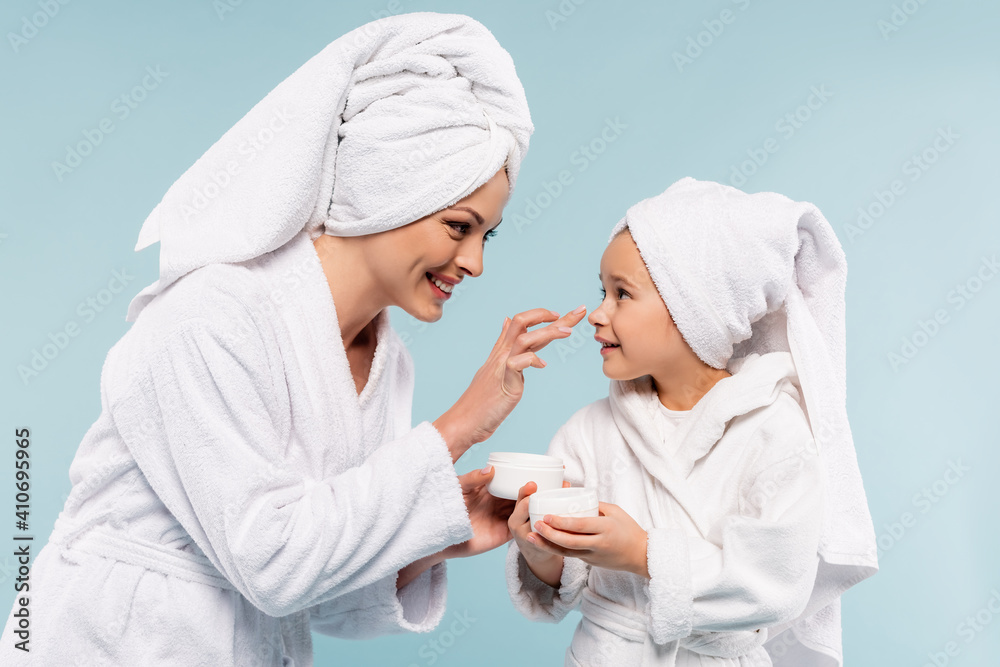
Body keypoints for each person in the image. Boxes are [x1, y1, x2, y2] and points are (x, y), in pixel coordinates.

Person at [0, 12, 589, 666]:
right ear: (391, 191)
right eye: (459, 226)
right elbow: (271, 562)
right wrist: (457, 427)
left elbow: (312, 587)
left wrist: (436, 534)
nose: (475, 262)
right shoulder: (211, 318)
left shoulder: (383, 360)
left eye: (488, 235)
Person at [506, 177, 879, 666]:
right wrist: (540, 553)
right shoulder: (587, 432)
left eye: (622, 294)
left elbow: (776, 582)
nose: (598, 314)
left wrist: (642, 553)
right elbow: (561, 584)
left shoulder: (775, 433)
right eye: (603, 291)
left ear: (693, 310)